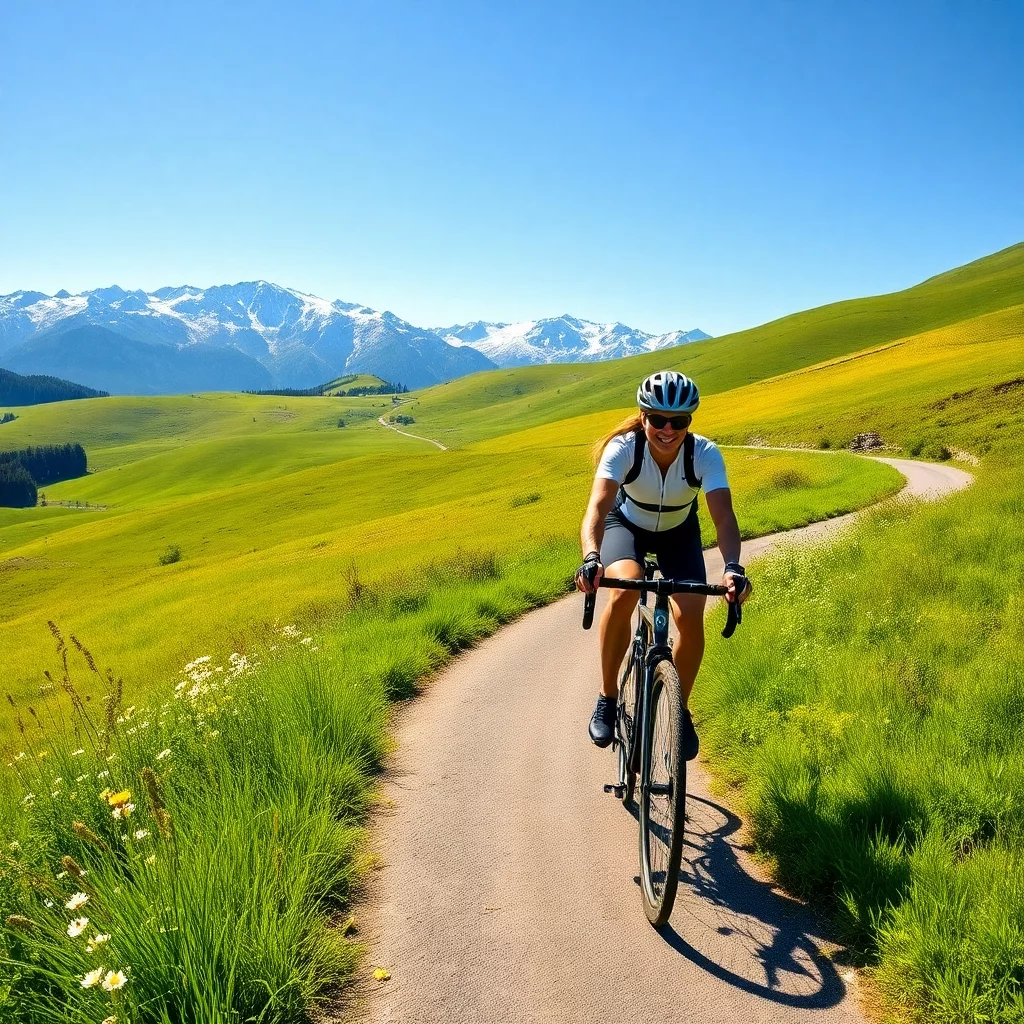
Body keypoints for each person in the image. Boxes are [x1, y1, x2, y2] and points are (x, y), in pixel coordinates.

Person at [574, 370, 751, 759]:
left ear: (690, 421)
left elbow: (724, 517)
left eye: (679, 421)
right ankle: (607, 696)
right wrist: (591, 557)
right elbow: (598, 508)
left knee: (690, 614)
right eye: (658, 419)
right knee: (624, 589)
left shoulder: (704, 454)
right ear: (643, 417)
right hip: (626, 527)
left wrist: (733, 567)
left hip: (678, 532)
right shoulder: (624, 448)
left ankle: (679, 708)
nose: (668, 429)